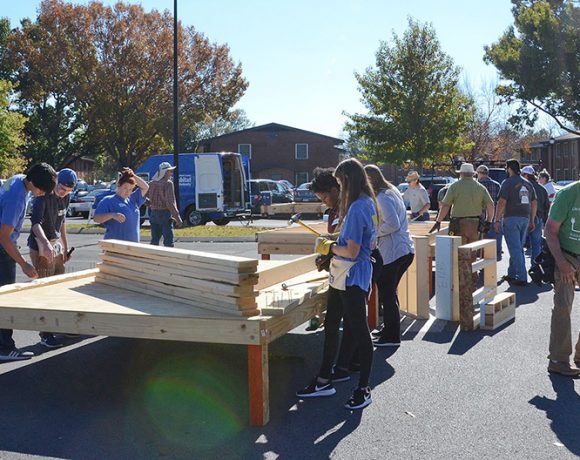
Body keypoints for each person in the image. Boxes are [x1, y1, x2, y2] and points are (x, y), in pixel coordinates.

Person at [297, 158, 378, 410]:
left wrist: (329, 246)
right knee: (331, 323)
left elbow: (352, 251)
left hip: (351, 275)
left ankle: (363, 389)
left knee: (360, 332)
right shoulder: (367, 202)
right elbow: (357, 241)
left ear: (348, 181)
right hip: (345, 275)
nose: (339, 188)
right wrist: (333, 240)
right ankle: (323, 380)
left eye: (340, 183)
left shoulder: (356, 208)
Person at [0, 163, 57, 361]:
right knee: (5, 298)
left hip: (4, 245)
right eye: (42, 190)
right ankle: (5, 348)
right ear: (33, 182)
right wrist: (24, 263)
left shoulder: (18, 179)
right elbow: (4, 237)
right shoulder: (16, 198)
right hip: (2, 249)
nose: (42, 194)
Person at [308, 167, 359, 379]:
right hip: (341, 270)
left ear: (336, 188)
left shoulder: (351, 208)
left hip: (353, 272)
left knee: (350, 320)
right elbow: (337, 241)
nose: (324, 202)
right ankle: (343, 365)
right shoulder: (337, 210)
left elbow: (350, 247)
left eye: (325, 197)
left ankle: (343, 368)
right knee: (337, 320)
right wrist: (327, 255)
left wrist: (329, 249)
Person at [364, 165, 414, 347]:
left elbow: (392, 224)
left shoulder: (382, 197)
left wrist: (373, 233)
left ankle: (391, 336)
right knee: (389, 293)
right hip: (402, 250)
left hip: (392, 252)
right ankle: (389, 329)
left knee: (387, 295)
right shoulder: (391, 190)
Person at [27, 168, 77, 348]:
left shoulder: (65, 198)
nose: (64, 193)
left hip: (55, 245)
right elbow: (35, 225)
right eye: (62, 188)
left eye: (68, 191)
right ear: (56, 183)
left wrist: (65, 246)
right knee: (45, 290)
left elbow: (62, 222)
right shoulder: (42, 197)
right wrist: (45, 244)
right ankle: (45, 334)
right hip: (40, 245)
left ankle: (60, 326)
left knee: (58, 288)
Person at [544, 180, 580, 376]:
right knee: (563, 306)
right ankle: (558, 360)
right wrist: (562, 263)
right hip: (567, 255)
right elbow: (550, 230)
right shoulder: (567, 194)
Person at [494, 159, 537, 286]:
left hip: (511, 218)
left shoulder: (507, 182)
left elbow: (502, 202)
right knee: (518, 247)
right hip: (525, 218)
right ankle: (512, 273)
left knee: (515, 248)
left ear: (509, 168)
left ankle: (522, 277)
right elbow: (534, 202)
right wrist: (532, 219)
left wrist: (497, 220)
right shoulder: (528, 183)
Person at [431, 163, 494, 245]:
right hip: (475, 224)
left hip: (458, 223)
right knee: (472, 249)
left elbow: (445, 206)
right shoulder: (481, 188)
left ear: (461, 173)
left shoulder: (454, 187)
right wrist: (489, 222)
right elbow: (490, 205)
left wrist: (438, 221)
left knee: (457, 249)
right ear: (473, 174)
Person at [94, 168, 149, 242]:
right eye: (125, 188)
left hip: (133, 245)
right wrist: (112, 215)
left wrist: (133, 175)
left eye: (130, 189)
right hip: (115, 245)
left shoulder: (132, 199)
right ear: (118, 185)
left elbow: (145, 187)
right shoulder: (108, 200)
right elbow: (96, 218)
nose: (127, 192)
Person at [147, 162, 183, 247]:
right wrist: (178, 218)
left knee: (154, 241)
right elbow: (170, 202)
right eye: (170, 171)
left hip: (153, 213)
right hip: (165, 213)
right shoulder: (168, 183)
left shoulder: (151, 183)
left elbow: (144, 197)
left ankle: (152, 255)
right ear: (165, 172)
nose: (171, 173)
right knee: (168, 241)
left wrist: (150, 205)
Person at [522, 165, 549, 263]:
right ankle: (535, 267)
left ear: (526, 175)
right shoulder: (542, 189)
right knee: (536, 245)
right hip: (538, 218)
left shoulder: (523, 188)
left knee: (519, 245)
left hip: (524, 217)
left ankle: (520, 269)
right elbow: (547, 206)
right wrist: (545, 221)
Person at [476, 165, 502, 260]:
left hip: (480, 215)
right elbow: (500, 201)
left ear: (479, 173)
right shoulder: (497, 185)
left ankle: (481, 253)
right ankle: (496, 253)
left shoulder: (477, 185)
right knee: (495, 235)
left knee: (481, 236)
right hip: (494, 214)